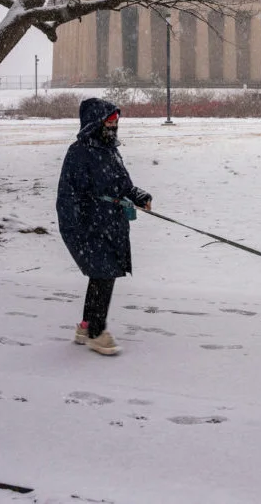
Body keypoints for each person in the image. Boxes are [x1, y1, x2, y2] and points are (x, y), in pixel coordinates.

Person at [56, 98, 152, 355]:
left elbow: (123, 185)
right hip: (90, 228)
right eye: (109, 122)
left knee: (101, 276)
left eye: (116, 122)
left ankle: (86, 326)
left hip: (112, 224)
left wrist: (139, 196)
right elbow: (67, 197)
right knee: (104, 275)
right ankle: (97, 333)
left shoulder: (110, 150)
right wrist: (77, 229)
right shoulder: (78, 153)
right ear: (95, 124)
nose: (114, 126)